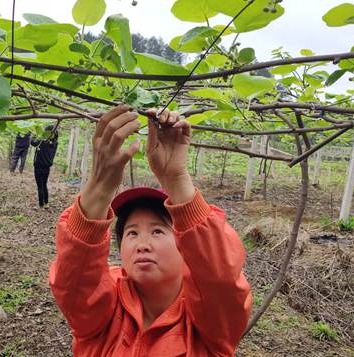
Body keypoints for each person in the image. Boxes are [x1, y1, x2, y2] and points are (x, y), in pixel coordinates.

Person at [49, 105, 251, 356]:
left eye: (157, 231)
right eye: (132, 233)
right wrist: (99, 188)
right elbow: (74, 280)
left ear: (186, 246)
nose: (142, 243)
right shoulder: (104, 309)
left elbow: (220, 280)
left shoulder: (210, 326)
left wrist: (176, 180)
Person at [31, 126, 59, 208]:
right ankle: (46, 203)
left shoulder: (42, 141)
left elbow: (33, 143)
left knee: (40, 185)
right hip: (47, 167)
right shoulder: (55, 143)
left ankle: (41, 204)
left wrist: (35, 134)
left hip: (39, 166)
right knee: (44, 184)